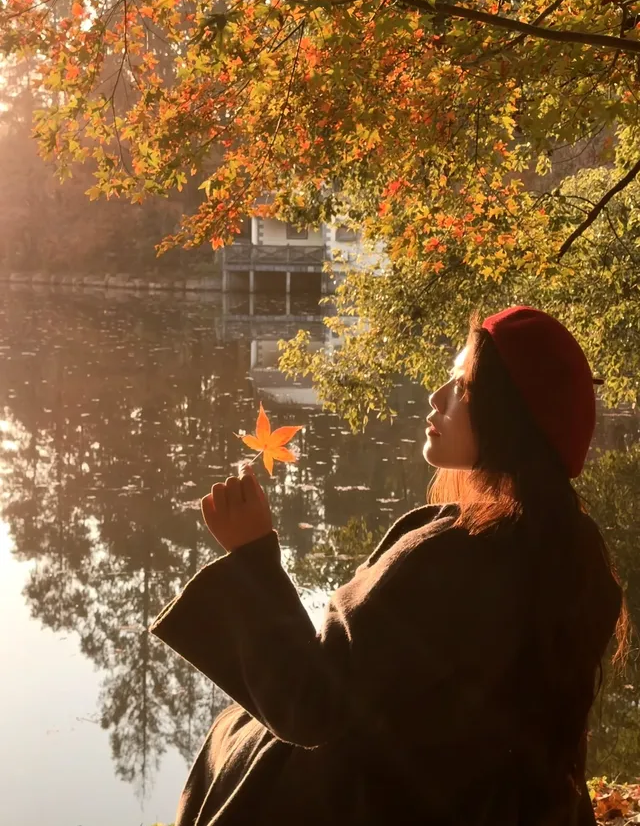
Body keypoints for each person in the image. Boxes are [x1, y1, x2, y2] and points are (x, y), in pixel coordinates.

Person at [149, 305, 627, 826]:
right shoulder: (577, 555)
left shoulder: (447, 557)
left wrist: (252, 556)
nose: (436, 398)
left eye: (462, 389)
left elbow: (311, 706)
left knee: (236, 737)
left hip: (380, 807)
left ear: (508, 416)